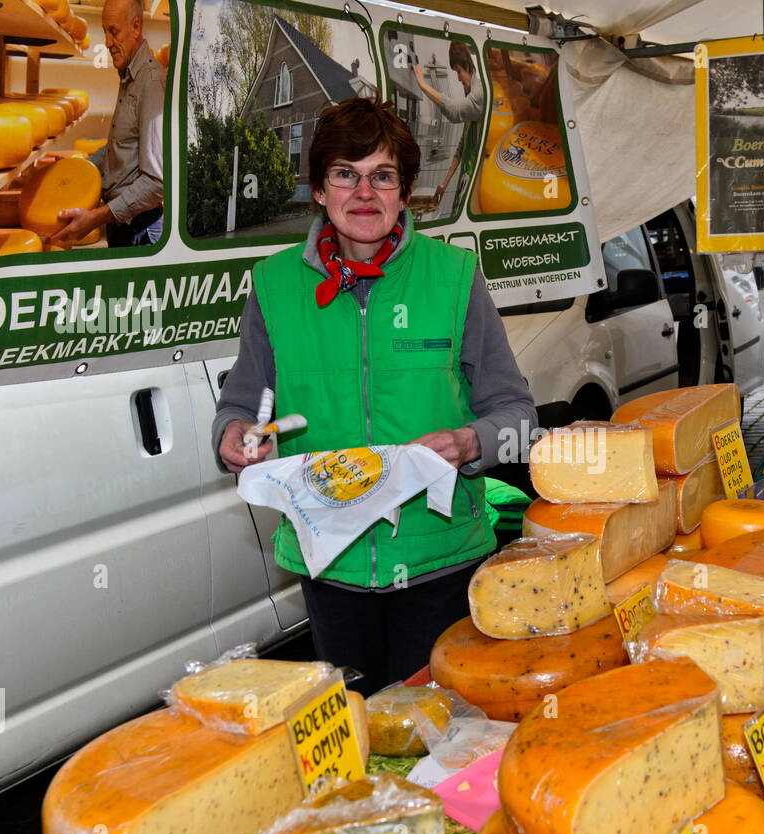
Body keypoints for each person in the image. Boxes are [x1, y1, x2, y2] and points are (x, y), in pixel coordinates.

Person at [213, 98, 536, 691]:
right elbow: (243, 403)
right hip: (330, 565)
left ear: (404, 192)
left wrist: (471, 442)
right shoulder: (274, 285)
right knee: (360, 735)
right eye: (345, 173)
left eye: (382, 176)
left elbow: (518, 414)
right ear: (318, 189)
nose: (364, 193)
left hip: (441, 559)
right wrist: (234, 434)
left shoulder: (455, 277)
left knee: (438, 738)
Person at [48, 0, 164, 247]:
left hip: (140, 231)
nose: (108, 43)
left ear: (135, 27)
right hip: (121, 223)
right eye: (105, 33)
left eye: (113, 32)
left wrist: (95, 218)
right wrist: (77, 169)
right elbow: (117, 149)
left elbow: (156, 183)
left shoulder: (151, 82)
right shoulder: (129, 76)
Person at [412, 42, 484, 212]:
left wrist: (423, 86)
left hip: (478, 180)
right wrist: (444, 185)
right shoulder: (471, 100)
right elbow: (461, 147)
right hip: (467, 175)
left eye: (459, 71)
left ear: (468, 66)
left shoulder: (480, 93)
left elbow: (453, 111)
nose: (458, 79)